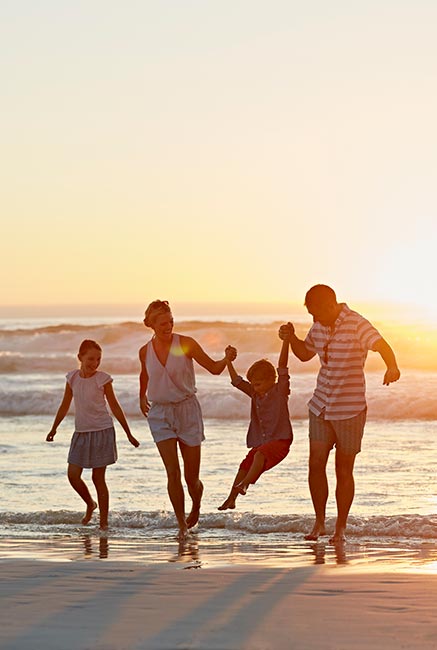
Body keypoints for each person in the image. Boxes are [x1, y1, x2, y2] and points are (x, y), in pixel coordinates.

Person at [280, 284, 400, 544]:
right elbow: (303, 354)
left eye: (316, 313)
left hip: (350, 409)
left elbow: (381, 345)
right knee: (315, 464)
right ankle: (320, 523)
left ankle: (340, 529)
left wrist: (392, 366)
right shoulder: (319, 326)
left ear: (330, 305)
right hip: (321, 405)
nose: (314, 319)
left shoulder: (357, 323)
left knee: (343, 470)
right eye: (310, 314)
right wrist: (291, 338)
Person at [139, 300, 235, 540]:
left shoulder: (185, 344)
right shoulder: (145, 351)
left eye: (170, 321)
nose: (168, 326)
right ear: (151, 324)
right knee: (172, 472)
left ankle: (196, 505)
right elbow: (145, 373)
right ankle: (181, 525)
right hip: (160, 414)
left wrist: (226, 359)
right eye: (162, 323)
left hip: (187, 411)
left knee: (191, 478)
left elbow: (214, 369)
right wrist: (142, 395)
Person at [46, 339, 139, 530]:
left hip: (102, 432)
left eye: (98, 359)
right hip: (81, 432)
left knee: (98, 478)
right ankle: (90, 503)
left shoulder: (103, 379)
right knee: (73, 475)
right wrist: (54, 428)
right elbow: (65, 404)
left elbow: (114, 406)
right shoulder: (72, 378)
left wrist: (128, 433)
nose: (95, 363)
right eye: (90, 359)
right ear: (80, 357)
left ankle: (104, 523)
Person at [218, 327, 293, 511]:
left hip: (280, 442)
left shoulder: (279, 391)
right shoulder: (254, 392)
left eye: (258, 384)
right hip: (263, 442)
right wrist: (228, 360)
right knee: (245, 464)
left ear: (271, 380)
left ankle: (245, 485)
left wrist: (286, 341)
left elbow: (282, 366)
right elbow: (237, 381)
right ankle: (231, 498)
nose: (255, 388)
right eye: (253, 384)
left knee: (259, 455)